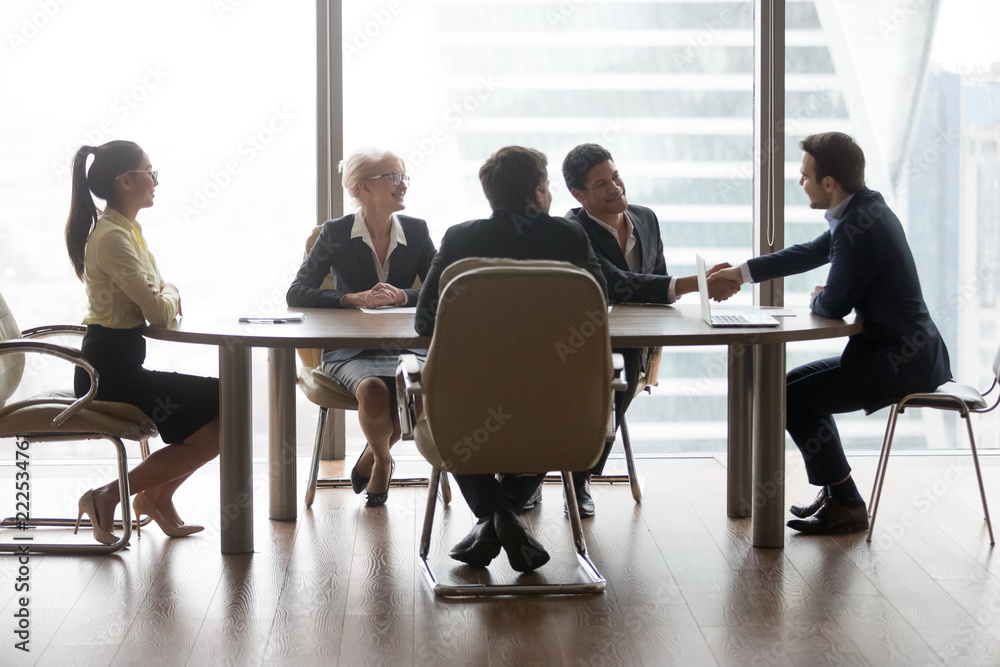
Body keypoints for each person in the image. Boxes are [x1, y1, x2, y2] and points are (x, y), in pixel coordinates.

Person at [710, 132, 952, 534]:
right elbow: (810, 252)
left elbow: (833, 307)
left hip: (897, 361)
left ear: (828, 183)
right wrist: (741, 273)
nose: (799, 181)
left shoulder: (859, 224)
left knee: (788, 398)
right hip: (903, 352)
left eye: (804, 174)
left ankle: (848, 503)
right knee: (785, 389)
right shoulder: (863, 210)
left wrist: (820, 297)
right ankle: (840, 496)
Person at [415, 145, 608, 572]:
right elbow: (599, 304)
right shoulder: (569, 236)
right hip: (558, 412)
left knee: (453, 414)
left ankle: (495, 518)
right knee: (538, 404)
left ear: (490, 196)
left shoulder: (461, 238)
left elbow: (424, 322)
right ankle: (505, 519)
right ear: (539, 192)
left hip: (468, 415)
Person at [560, 143, 740, 516]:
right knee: (618, 367)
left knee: (625, 364)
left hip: (640, 340)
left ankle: (574, 474)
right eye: (601, 184)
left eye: (616, 176)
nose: (615, 188)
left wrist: (694, 287)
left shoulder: (646, 218)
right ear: (578, 195)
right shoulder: (572, 230)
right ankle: (577, 478)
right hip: (583, 346)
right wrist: (698, 282)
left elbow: (656, 281)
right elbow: (616, 284)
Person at [66, 140, 220, 544]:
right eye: (150, 171)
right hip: (107, 376)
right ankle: (109, 496)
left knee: (227, 402)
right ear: (126, 181)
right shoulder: (113, 239)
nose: (155, 181)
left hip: (120, 367)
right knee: (228, 406)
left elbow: (155, 298)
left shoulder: (127, 231)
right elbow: (159, 309)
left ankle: (156, 498)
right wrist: (171, 289)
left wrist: (162, 291)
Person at [286, 148, 435, 507]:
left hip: (406, 345)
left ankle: (370, 456)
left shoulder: (416, 231)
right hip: (351, 347)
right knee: (373, 390)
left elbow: (442, 288)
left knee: (415, 389)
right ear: (364, 188)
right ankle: (383, 462)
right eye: (393, 177)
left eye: (403, 177)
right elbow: (296, 292)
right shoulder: (335, 233)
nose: (402, 185)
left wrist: (402, 295)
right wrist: (352, 298)